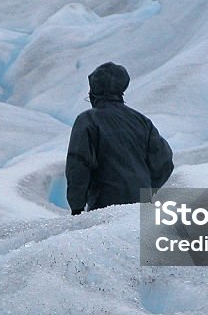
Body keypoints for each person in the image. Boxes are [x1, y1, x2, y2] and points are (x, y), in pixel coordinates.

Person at [65, 62, 174, 215]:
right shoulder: (141, 121)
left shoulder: (88, 120)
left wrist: (76, 207)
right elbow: (164, 162)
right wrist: (146, 188)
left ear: (94, 92)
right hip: (141, 208)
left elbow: (78, 163)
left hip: (105, 206)